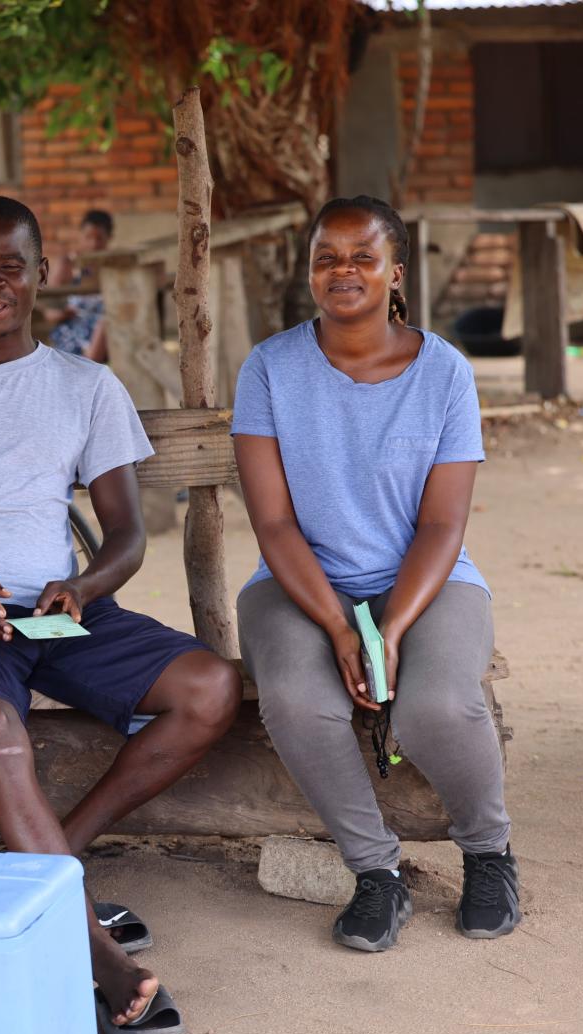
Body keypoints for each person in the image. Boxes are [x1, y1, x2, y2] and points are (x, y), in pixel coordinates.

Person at [0, 196, 242, 1034]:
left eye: (10, 267)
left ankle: (50, 864)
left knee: (211, 686)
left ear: (40, 276)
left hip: (56, 611)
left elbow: (128, 535)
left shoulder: (84, 385)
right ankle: (100, 959)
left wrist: (86, 585)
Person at [231, 194, 519, 954]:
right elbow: (274, 524)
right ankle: (374, 873)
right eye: (326, 257)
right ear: (309, 273)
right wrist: (335, 623)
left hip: (424, 579)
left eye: (362, 256)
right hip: (298, 583)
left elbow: (440, 525)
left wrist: (387, 628)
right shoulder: (269, 368)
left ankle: (488, 852)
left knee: (435, 708)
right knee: (296, 700)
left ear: (395, 272)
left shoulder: (444, 373)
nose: (343, 270)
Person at [45, 208, 112, 362]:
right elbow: (50, 313)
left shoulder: (113, 267)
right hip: (72, 330)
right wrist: (63, 314)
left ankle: (88, 368)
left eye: (99, 238)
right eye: (88, 237)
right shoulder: (67, 265)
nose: (94, 244)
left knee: (105, 323)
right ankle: (87, 369)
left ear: (109, 238)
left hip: (105, 334)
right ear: (80, 236)